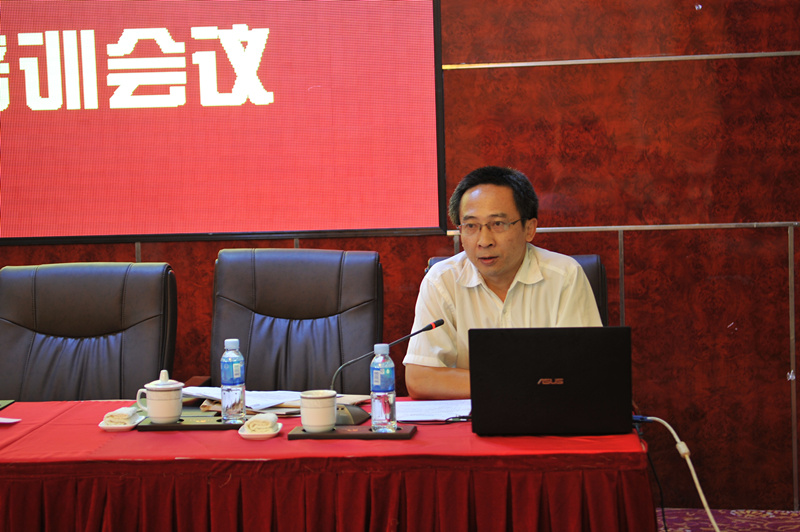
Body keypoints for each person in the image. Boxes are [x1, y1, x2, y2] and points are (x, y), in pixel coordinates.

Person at [403, 166, 602, 399]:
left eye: (498, 224)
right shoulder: (441, 281)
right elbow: (420, 379)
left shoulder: (564, 276)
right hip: (471, 416)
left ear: (529, 229)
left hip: (548, 411)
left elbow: (586, 371)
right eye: (471, 226)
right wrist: (520, 381)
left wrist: (494, 382)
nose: (484, 241)